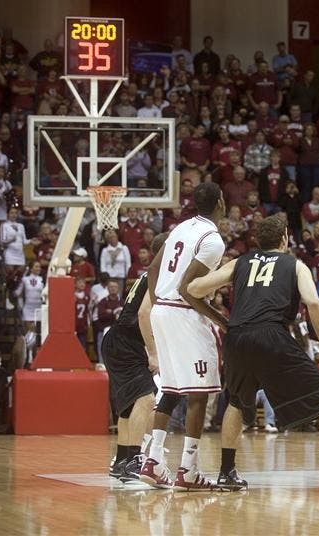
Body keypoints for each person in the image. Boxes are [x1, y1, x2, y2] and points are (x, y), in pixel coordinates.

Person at [187, 215, 319, 494]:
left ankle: (226, 473)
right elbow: (313, 303)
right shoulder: (295, 265)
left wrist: (220, 319)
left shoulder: (240, 262)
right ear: (285, 238)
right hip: (271, 334)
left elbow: (193, 289)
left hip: (236, 338)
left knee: (236, 402)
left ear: (257, 241)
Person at [139, 183, 228, 490]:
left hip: (162, 311)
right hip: (183, 314)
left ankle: (153, 461)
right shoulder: (212, 240)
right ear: (220, 202)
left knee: (171, 388)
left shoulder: (179, 228)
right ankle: (188, 471)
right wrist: (221, 321)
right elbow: (187, 289)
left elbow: (153, 268)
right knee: (199, 395)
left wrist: (158, 303)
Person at [104, 234, 167, 483]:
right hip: (128, 342)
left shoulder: (148, 273)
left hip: (117, 340)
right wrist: (153, 353)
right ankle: (133, 460)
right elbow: (144, 313)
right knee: (146, 399)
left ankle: (121, 461)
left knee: (129, 406)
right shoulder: (159, 273)